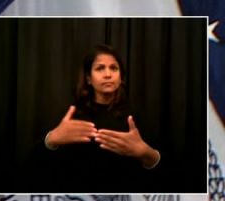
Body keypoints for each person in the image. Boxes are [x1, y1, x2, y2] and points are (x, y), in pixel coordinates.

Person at [42, 44, 160, 191]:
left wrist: (146, 153)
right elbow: (38, 168)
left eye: (114, 68)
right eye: (100, 68)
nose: (108, 75)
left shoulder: (135, 117)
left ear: (121, 77)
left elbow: (166, 171)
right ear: (88, 79)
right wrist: (52, 139)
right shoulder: (71, 115)